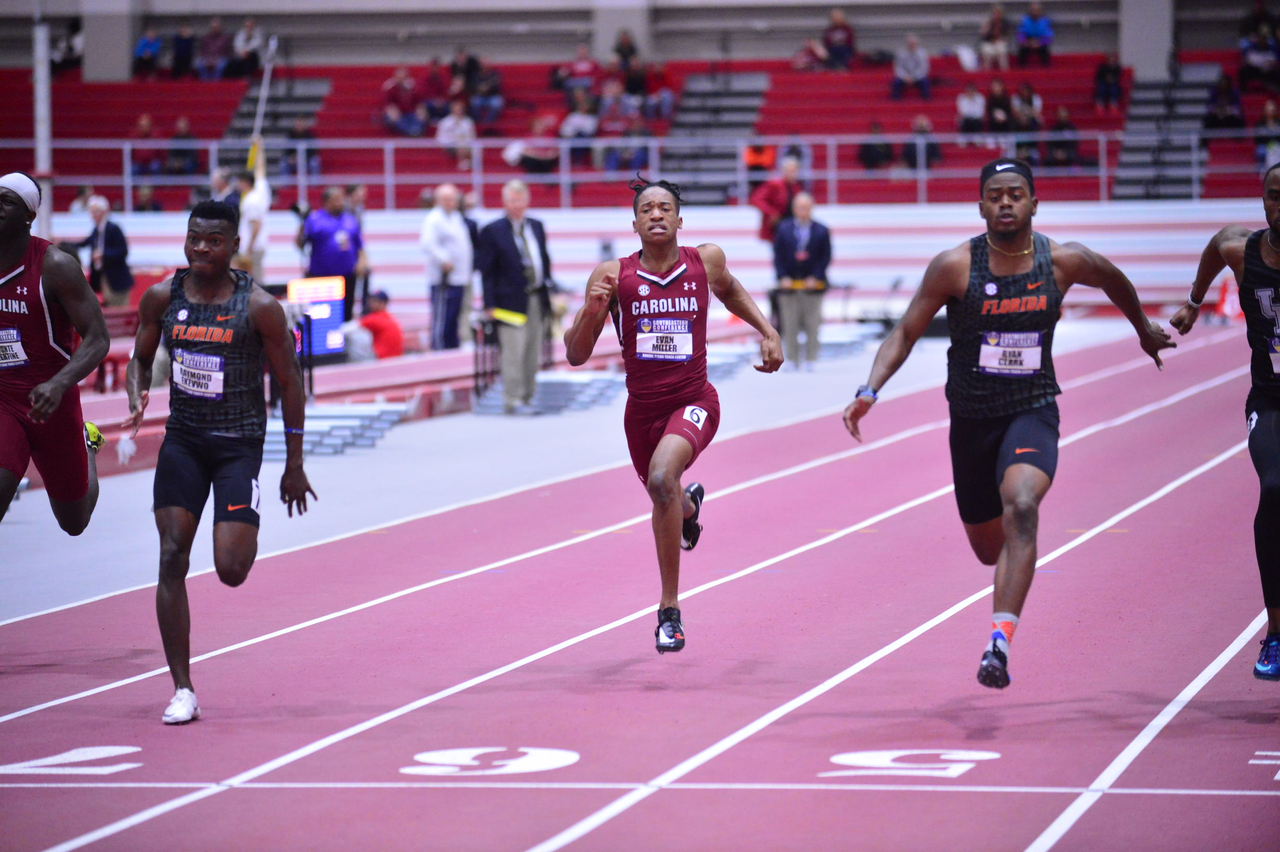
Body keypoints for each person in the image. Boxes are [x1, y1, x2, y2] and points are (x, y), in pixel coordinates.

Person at [842, 158, 1173, 689]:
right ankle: (1005, 585)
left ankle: (998, 642)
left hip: (1032, 408)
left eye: (1015, 194)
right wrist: (869, 389)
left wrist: (1143, 329)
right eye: (995, 195)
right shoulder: (955, 266)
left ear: (1034, 203)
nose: (1005, 203)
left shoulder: (1063, 261)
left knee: (1022, 506)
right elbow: (904, 332)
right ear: (980, 206)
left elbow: (1113, 279)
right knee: (988, 549)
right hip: (972, 421)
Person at [563, 177, 782, 653]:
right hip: (641, 414)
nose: (657, 215)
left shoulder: (706, 261)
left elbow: (730, 291)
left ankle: (668, 612)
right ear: (635, 223)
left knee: (662, 479)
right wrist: (591, 310)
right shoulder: (612, 275)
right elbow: (576, 355)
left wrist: (768, 330)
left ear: (680, 220)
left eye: (666, 208)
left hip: (695, 401)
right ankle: (688, 507)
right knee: (666, 494)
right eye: (648, 210)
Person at [123, 200, 315, 725]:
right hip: (183, 441)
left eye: (213, 241)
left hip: (238, 444)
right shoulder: (163, 297)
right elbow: (139, 361)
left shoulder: (259, 308)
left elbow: (290, 383)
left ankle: (243, 517)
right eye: (194, 239)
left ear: (233, 246)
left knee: (231, 570)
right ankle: (182, 688)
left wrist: (292, 462)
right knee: (170, 555)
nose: (201, 249)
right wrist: (137, 393)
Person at [1172, 164, 1280, 680]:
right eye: (1274, 197)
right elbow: (1217, 244)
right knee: (1275, 488)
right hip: (1271, 401)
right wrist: (1194, 303)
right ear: (1263, 201)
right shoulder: (1244, 250)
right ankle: (1277, 636)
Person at [0, 172, 109, 534]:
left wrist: (59, 384)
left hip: (51, 401)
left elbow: (97, 338)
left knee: (74, 522)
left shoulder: (56, 266)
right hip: (4, 399)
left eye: (7, 201)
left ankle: (87, 441)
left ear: (28, 216)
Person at [476, 180, 554, 415]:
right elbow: (486, 272)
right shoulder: (492, 230)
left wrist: (551, 288)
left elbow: (544, 260)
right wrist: (489, 304)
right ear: (504, 202)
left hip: (536, 297)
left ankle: (528, 396)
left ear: (527, 201)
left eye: (520, 200)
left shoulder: (537, 226)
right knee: (513, 350)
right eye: (512, 200)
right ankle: (513, 398)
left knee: (533, 349)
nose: (517, 205)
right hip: (507, 303)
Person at [772, 192, 830, 370]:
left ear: (811, 209)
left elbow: (825, 257)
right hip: (789, 284)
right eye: (800, 208)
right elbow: (778, 256)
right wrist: (783, 277)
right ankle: (791, 358)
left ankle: (811, 358)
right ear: (794, 209)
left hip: (813, 285)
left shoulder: (821, 230)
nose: (803, 211)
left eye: (806, 208)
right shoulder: (783, 228)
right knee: (789, 323)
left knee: (813, 323)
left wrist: (816, 276)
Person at [297, 187, 366, 322]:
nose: (340, 203)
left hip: (346, 274)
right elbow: (301, 244)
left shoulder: (350, 220)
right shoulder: (314, 219)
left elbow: (359, 245)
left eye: (341, 199)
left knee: (346, 312)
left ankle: (345, 339)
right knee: (321, 314)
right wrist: (302, 225)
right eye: (336, 200)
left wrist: (362, 261)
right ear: (326, 202)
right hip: (322, 275)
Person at [420, 183, 473, 350]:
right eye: (447, 199)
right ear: (438, 200)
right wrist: (444, 260)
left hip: (460, 277)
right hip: (444, 279)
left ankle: (452, 347)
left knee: (454, 317)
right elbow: (428, 244)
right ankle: (439, 348)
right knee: (443, 318)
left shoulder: (456, 217)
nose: (451, 202)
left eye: (453, 199)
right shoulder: (434, 219)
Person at [78, 196, 134, 307]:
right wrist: (63, 243)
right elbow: (84, 243)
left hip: (116, 279)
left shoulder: (113, 229)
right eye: (91, 212)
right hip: (104, 277)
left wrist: (103, 254)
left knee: (118, 308)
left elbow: (123, 251)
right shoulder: (96, 231)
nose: (93, 215)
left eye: (95, 212)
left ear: (104, 212)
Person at [234, 150, 269, 284]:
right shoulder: (260, 191)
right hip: (257, 245)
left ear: (244, 182)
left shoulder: (251, 201)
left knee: (255, 281)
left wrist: (248, 248)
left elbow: (256, 225)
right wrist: (259, 147)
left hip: (254, 246)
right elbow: (260, 169)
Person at [749, 156, 803, 242]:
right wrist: (771, 213)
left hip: (791, 226)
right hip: (775, 227)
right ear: (783, 171)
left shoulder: (796, 188)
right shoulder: (774, 185)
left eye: (794, 171)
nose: (792, 174)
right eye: (790, 171)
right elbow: (756, 199)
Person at [560, 89, 600, 166]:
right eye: (582, 105)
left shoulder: (592, 118)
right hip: (570, 138)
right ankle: (573, 161)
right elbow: (564, 129)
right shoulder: (573, 116)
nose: (583, 107)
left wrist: (578, 129)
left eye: (585, 105)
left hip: (585, 140)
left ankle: (578, 160)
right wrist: (572, 132)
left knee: (580, 136)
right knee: (575, 137)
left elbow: (590, 131)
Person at [383, 67, 427, 137]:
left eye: (403, 78)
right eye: (399, 78)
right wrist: (392, 111)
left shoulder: (413, 89)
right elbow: (388, 105)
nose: (401, 80)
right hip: (398, 114)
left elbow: (419, 103)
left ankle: (414, 131)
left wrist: (421, 110)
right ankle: (411, 132)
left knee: (421, 116)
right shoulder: (391, 89)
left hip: (411, 113)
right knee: (395, 118)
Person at [359, 290, 404, 359]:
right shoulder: (390, 317)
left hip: (382, 358)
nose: (370, 303)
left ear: (383, 303)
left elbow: (349, 328)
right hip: (396, 358)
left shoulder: (375, 318)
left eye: (374, 301)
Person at [436, 99, 476, 171]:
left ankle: (469, 164)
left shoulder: (468, 121)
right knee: (460, 146)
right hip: (449, 145)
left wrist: (464, 141)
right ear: (452, 110)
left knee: (476, 148)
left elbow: (472, 136)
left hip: (465, 144)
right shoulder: (445, 122)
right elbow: (440, 137)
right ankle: (463, 164)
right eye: (456, 109)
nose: (458, 111)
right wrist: (453, 141)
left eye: (460, 109)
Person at [892, 35, 931, 100]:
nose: (912, 45)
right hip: (904, 77)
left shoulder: (922, 53)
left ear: (917, 44)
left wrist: (913, 77)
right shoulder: (901, 53)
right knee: (896, 83)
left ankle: (926, 101)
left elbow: (924, 68)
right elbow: (898, 67)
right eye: (910, 43)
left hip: (918, 77)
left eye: (913, 43)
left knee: (925, 82)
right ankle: (896, 102)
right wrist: (905, 77)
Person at [1017, 1, 1054, 67]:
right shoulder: (1025, 20)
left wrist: (1039, 43)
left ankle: (1045, 71)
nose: (1034, 12)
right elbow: (1020, 33)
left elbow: (1048, 36)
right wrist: (1025, 42)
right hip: (1028, 41)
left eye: (1036, 10)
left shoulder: (1045, 20)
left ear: (1040, 11)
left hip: (1040, 41)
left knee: (1045, 51)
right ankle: (1022, 70)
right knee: (1022, 50)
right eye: (1033, 10)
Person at [471, 60, 504, 125]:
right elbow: (473, 86)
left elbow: (497, 86)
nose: (485, 66)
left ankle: (488, 121)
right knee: (474, 102)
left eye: (486, 64)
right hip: (479, 96)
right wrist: (479, 88)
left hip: (492, 96)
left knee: (497, 103)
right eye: (483, 64)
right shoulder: (475, 75)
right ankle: (477, 120)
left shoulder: (494, 74)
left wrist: (488, 87)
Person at [979, 4, 1011, 71]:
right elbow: (983, 35)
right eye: (995, 13)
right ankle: (987, 71)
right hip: (990, 42)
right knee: (986, 50)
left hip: (1000, 42)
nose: (997, 15)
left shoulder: (1005, 23)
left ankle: (1004, 71)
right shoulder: (988, 22)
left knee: (1002, 49)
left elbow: (1007, 35)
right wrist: (985, 29)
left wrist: (1000, 39)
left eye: (998, 13)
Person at [1257, 100, 1280, 168]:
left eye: (1271, 109)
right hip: (1265, 146)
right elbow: (1257, 140)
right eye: (1268, 109)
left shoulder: (1278, 123)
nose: (1270, 111)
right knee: (1260, 151)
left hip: (1277, 145)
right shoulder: (1260, 124)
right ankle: (1262, 172)